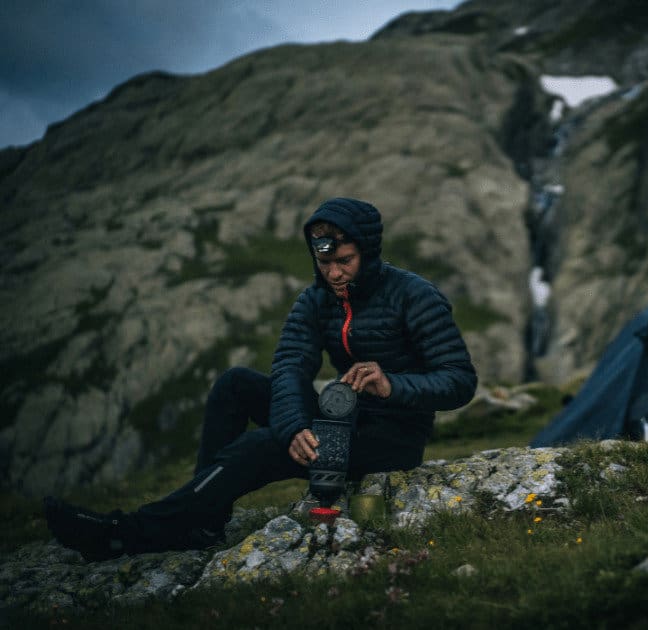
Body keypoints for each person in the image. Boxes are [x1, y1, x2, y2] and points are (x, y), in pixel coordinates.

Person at [44, 197, 478, 560]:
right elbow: (290, 364)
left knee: (259, 446)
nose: (334, 273)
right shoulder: (315, 299)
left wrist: (393, 384)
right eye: (324, 261)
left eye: (345, 261)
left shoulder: (413, 295)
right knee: (235, 384)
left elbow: (460, 380)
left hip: (392, 437)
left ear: (368, 252)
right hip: (339, 419)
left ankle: (128, 533)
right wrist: (293, 426)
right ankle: (203, 525)